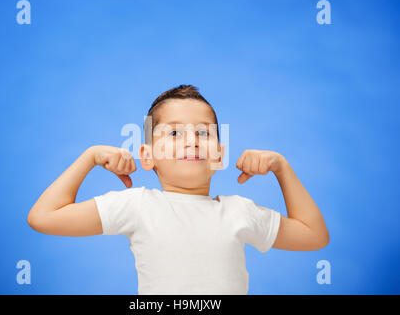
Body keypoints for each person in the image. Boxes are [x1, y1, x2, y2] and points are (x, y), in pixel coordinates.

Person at [27, 84, 329, 295]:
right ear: (147, 156)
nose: (191, 140)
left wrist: (281, 167)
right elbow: (44, 216)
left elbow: (314, 235)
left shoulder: (239, 211)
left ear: (220, 155)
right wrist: (90, 157)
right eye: (173, 132)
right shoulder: (137, 206)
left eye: (203, 132)